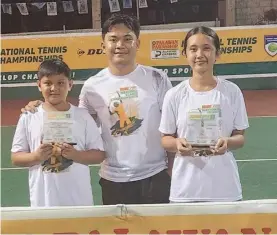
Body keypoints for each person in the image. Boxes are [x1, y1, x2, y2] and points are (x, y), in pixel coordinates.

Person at [20, 14, 172, 205]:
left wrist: (171, 168)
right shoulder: (93, 86)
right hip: (114, 179)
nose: (120, 45)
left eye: (127, 38)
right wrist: (39, 106)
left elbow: (171, 127)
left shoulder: (157, 78)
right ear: (103, 45)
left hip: (155, 175)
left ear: (138, 43)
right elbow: (77, 124)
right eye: (113, 39)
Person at [159, 26, 249, 203]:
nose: (199, 54)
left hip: (225, 190)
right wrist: (177, 143)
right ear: (185, 53)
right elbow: (165, 139)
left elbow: (240, 137)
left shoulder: (231, 92)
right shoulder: (174, 94)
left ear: (217, 53)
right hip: (185, 191)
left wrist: (228, 142)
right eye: (193, 49)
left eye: (206, 48)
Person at [11, 59, 105, 207]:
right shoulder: (29, 116)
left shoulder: (83, 116)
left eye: (61, 83)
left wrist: (76, 155)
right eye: (48, 83)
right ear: (39, 85)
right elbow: (16, 157)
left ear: (70, 84)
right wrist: (36, 156)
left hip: (78, 202)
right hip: (43, 202)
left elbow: (99, 154)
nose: (54, 88)